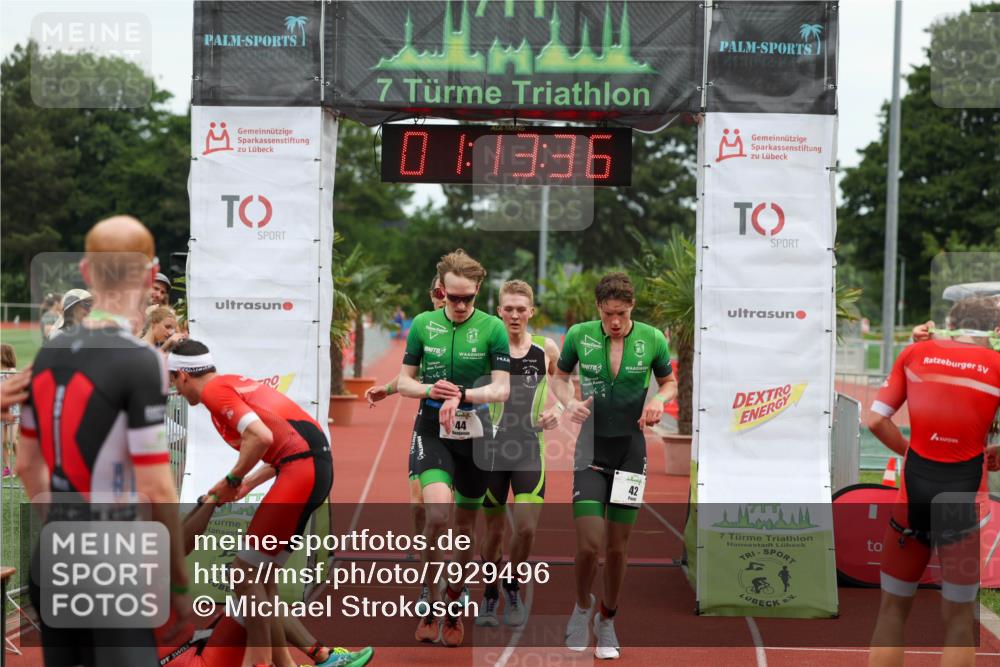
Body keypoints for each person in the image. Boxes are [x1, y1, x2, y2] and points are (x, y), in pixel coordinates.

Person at [16, 215, 192, 666]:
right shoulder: (142, 361)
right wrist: (176, 583)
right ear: (152, 276)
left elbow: (25, 463)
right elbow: (156, 485)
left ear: (86, 273)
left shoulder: (49, 352)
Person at [169, 339, 334, 667]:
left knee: (243, 574)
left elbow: (262, 437)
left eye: (173, 380)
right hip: (307, 464)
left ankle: (260, 664)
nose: (175, 389)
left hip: (302, 468)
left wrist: (232, 479)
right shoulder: (227, 384)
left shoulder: (216, 392)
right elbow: (284, 441)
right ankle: (299, 662)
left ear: (184, 376)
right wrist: (246, 483)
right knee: (262, 579)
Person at [549, 272, 677, 660]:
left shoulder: (653, 338)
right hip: (590, 450)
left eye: (621, 314)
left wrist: (659, 401)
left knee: (618, 550)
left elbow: (669, 383)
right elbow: (559, 377)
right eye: (608, 315)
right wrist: (568, 401)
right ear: (598, 310)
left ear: (632, 308)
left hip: (630, 453)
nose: (615, 322)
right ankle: (581, 605)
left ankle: (608, 619)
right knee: (589, 545)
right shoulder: (579, 335)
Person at [868, 296, 1000, 667]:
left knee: (892, 612)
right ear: (993, 331)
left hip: (915, 488)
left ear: (950, 323)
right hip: (964, 493)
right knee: (959, 618)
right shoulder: (997, 363)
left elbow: (877, 421)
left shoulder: (915, 354)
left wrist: (912, 452)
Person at [396, 249, 510, 647]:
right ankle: (429, 597)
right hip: (433, 431)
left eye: (468, 298)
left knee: (464, 529)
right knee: (436, 515)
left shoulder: (493, 328)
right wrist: (431, 389)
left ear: (478, 292)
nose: (460, 306)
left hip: (477, 435)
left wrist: (462, 393)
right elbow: (403, 381)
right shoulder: (423, 325)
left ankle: (454, 598)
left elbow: (501, 388)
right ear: (440, 291)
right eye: (452, 297)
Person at [156, 494, 373, 667]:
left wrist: (205, 503)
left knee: (254, 589)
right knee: (253, 590)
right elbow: (178, 547)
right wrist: (212, 502)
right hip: (192, 661)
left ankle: (321, 656)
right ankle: (311, 659)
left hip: (191, 647)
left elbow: (174, 543)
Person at [476, 280, 560, 628]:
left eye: (520, 309)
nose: (514, 314)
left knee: (525, 529)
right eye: (508, 308)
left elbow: (562, 384)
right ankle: (490, 593)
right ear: (499, 311)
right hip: (491, 450)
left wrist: (556, 410)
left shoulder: (547, 349)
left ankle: (513, 585)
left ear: (531, 312)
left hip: (529, 446)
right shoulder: (488, 347)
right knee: (494, 533)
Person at [365, 274, 447, 607]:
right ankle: (429, 578)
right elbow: (410, 374)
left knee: (451, 513)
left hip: (468, 429)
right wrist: (386, 389)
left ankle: (455, 580)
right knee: (418, 504)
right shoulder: (425, 328)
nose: (448, 299)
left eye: (456, 294)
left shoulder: (479, 330)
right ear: (433, 295)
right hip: (428, 423)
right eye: (441, 292)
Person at [1, 344, 19, 477]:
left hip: (13, 411)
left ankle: (21, 465)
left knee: (12, 441)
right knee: (3, 441)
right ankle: (7, 468)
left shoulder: (11, 371)